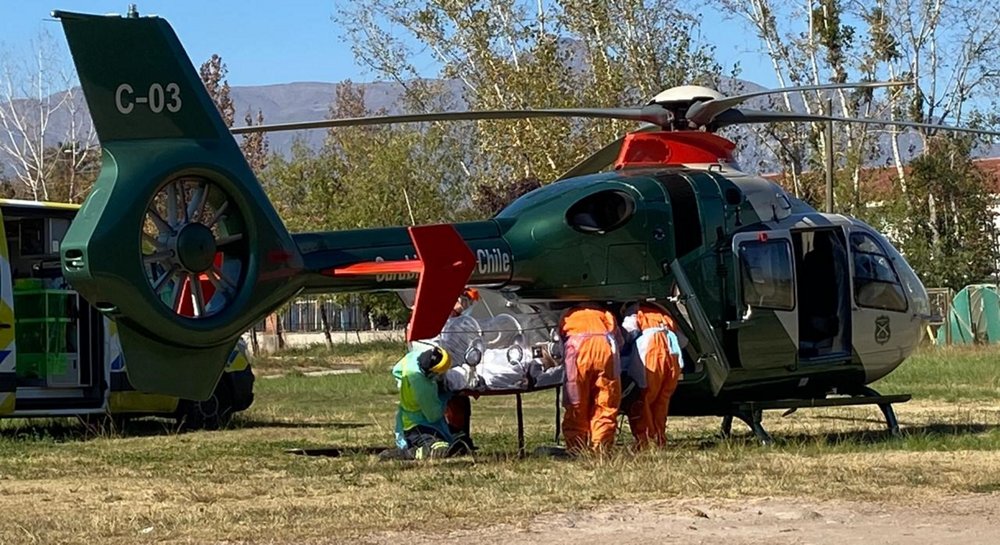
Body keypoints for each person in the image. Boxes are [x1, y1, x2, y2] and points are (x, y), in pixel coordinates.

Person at [559, 303, 623, 453]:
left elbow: (559, 342)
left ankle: (576, 447)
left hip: (577, 351)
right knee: (606, 401)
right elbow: (620, 342)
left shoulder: (568, 314)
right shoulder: (606, 313)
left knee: (576, 402)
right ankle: (601, 446)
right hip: (606, 349)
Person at [621, 301, 683, 449]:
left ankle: (645, 441)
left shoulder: (634, 311)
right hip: (672, 355)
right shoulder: (665, 315)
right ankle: (659, 438)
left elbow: (629, 332)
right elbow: (683, 341)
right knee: (662, 399)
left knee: (644, 398)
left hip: (651, 353)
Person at [388, 344, 461, 460]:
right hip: (419, 426)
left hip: (407, 421)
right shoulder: (423, 388)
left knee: (459, 442)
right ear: (431, 373)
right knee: (441, 448)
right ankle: (410, 453)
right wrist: (444, 397)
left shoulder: (412, 358)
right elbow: (434, 415)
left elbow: (396, 370)